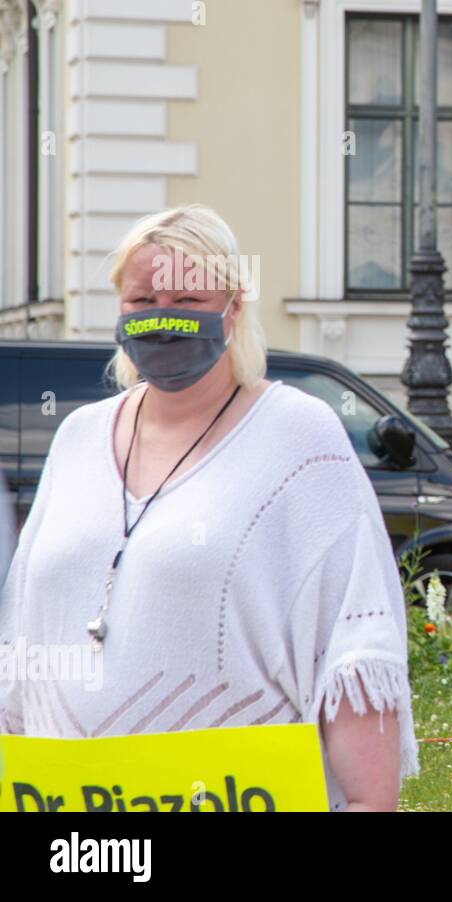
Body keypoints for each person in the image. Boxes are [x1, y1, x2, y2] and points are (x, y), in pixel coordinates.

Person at [0, 205, 418, 811]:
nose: (162, 318)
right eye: (142, 299)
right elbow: (22, 636)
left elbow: (354, 646)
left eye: (188, 299)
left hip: (236, 793)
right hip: (73, 812)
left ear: (235, 307)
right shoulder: (76, 438)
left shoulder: (299, 438)